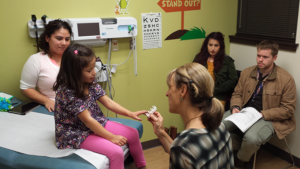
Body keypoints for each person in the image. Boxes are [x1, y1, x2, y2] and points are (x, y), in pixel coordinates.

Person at [53, 43, 147, 169]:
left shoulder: (89, 81)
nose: (94, 72)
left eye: (94, 67)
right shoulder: (68, 92)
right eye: (89, 70)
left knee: (133, 133)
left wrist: (130, 113)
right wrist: (112, 137)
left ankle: (142, 166)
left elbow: (108, 102)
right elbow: (88, 120)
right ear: (74, 73)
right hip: (75, 132)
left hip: (93, 123)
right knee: (116, 151)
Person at [222, 40, 296, 168]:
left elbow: (288, 109)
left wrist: (263, 114)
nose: (260, 60)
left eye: (265, 57)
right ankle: (249, 149)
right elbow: (237, 94)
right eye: (258, 55)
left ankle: (241, 158)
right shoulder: (246, 73)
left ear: (275, 57)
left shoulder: (286, 79)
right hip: (244, 112)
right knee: (217, 127)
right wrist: (235, 107)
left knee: (251, 138)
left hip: (269, 117)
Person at [148, 63, 234, 169]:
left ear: (183, 91)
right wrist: (160, 132)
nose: (167, 93)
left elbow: (185, 153)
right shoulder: (221, 127)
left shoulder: (183, 147)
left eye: (169, 87)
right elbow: (188, 156)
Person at [20, 19, 72, 112]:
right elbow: (26, 88)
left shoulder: (75, 58)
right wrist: (46, 101)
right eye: (59, 38)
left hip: (79, 107)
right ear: (47, 38)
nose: (64, 43)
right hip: (53, 108)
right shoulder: (36, 60)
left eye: (67, 39)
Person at [193, 32, 238, 107]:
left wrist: (214, 90)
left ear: (221, 47)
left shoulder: (227, 61)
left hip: (218, 96)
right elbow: (191, 75)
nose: (213, 48)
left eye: (216, 45)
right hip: (200, 95)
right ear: (206, 45)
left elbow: (233, 80)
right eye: (210, 45)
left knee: (211, 113)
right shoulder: (198, 58)